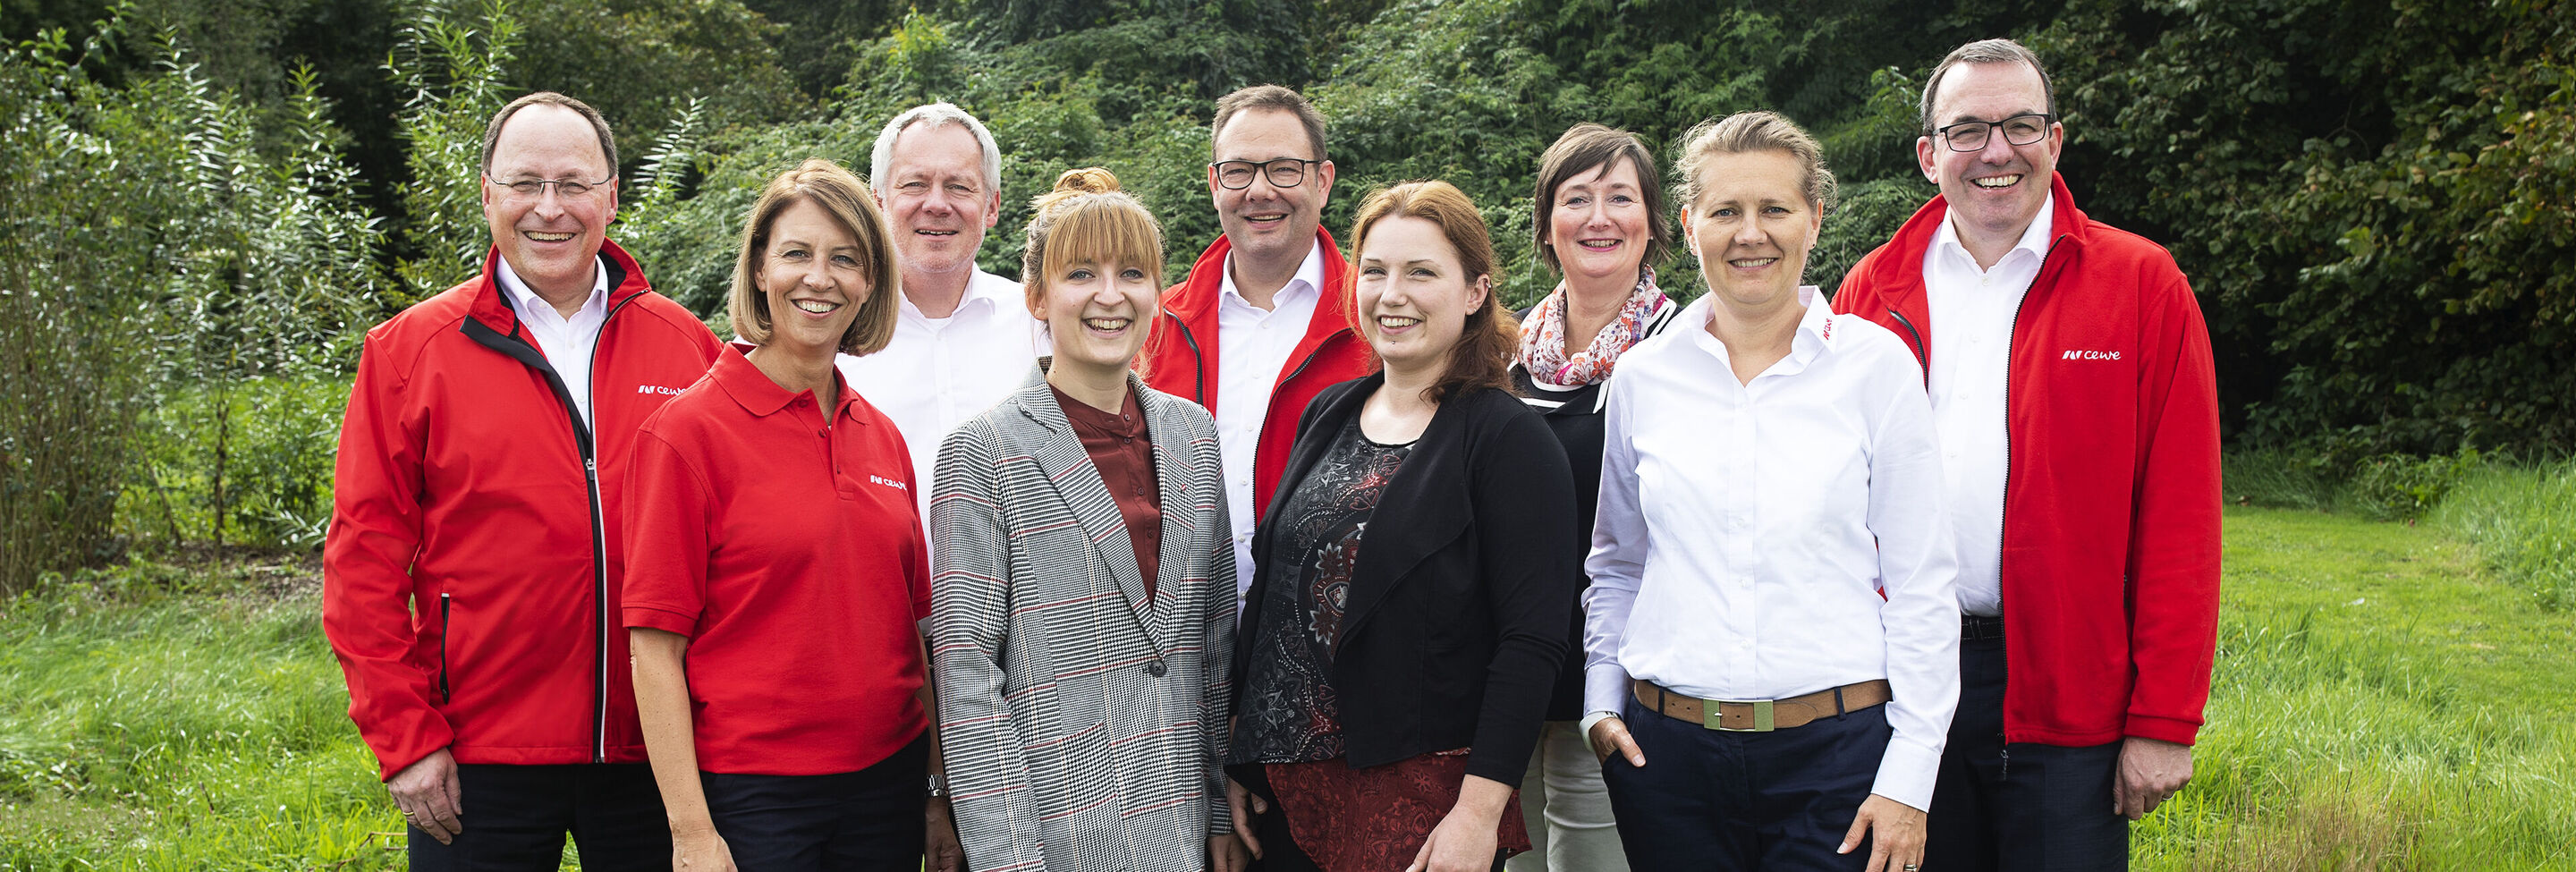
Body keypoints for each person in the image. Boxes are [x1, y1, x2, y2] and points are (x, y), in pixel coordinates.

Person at [1830, 38, 2223, 870]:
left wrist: (2164, 718)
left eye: (2020, 125)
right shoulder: (1870, 291)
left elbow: (2182, 514)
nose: (1997, 150)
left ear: (2055, 140)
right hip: (1903, 682)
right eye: (1969, 129)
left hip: (2071, 690)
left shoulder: (2142, 284)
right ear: (1929, 154)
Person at [324, 91, 724, 868]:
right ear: (487, 193)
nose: (550, 207)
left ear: (612, 196)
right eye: (525, 183)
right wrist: (405, 738)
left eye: (573, 183)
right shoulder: (409, 352)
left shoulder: (688, 348)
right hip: (477, 755)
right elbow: (361, 563)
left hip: (659, 750)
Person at [1580, 110, 1960, 872]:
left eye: (1774, 209)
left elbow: (1923, 583)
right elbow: (1619, 562)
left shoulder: (1877, 367)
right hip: (1666, 763)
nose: (1750, 233)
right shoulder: (1644, 376)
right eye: (1725, 211)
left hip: (1839, 760)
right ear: (1689, 224)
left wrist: (1910, 775)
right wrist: (1600, 704)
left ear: (1813, 219)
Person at [1224, 180, 1582, 872]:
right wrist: (1241, 756)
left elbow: (1532, 643)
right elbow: (1275, 600)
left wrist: (1478, 815)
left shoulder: (1509, 439)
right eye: (1376, 271)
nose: (1393, 294)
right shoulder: (1327, 413)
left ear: (1475, 291)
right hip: (1284, 801)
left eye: (1421, 272)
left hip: (1419, 808)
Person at [623, 158, 955, 870]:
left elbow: (913, 634)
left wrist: (933, 794)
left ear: (870, 282)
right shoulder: (685, 434)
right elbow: (654, 652)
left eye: (846, 259)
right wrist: (691, 832)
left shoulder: (881, 435)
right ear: (759, 269)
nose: (820, 278)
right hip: (757, 798)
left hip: (887, 789)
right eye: (797, 253)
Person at [929, 167, 1248, 872]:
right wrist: (1012, 862)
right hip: (1060, 837)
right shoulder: (982, 453)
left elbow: (1212, 641)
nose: (1110, 295)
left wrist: (1219, 805)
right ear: (1038, 297)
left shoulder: (1194, 435)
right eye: (1081, 274)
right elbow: (970, 678)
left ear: (1157, 292)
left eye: (1132, 273)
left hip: (1185, 830)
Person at [1502, 123, 1680, 872]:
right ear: (1547, 225)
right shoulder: (1507, 354)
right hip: (1509, 678)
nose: (1599, 217)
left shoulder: (1685, 351)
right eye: (1576, 198)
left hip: (1619, 682)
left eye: (1620, 198)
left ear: (1653, 222)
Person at [1138, 84, 1377, 612]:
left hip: (1329, 634)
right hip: (1179, 638)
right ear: (1214, 185)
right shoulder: (1153, 326)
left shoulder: (1377, 324)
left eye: (1284, 169)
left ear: (1323, 181)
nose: (1260, 190)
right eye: (1239, 171)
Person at [838, 102, 1043, 522]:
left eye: (959, 186)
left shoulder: (1041, 324)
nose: (936, 204)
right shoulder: (833, 334)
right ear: (879, 202)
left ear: (992, 206)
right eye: (914, 184)